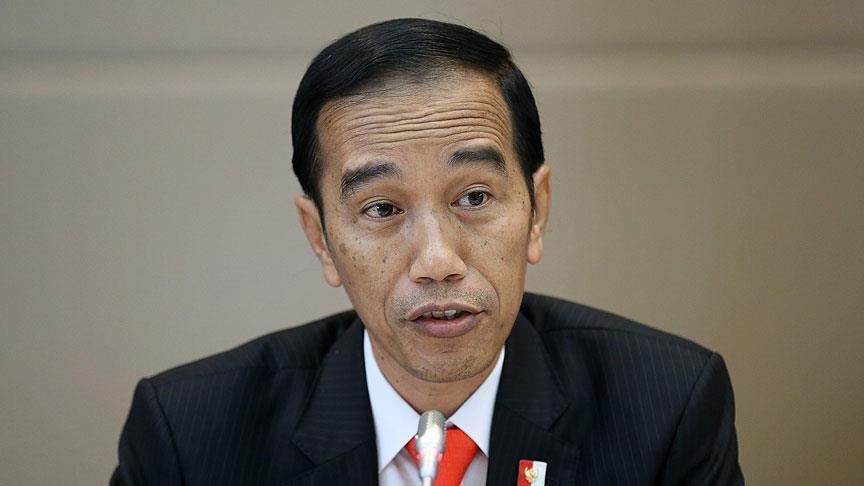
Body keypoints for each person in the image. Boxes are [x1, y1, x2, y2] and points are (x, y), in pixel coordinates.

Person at [112, 18, 743, 485]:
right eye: (382, 209)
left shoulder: (667, 406)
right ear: (321, 238)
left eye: (474, 196)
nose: (438, 261)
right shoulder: (189, 435)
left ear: (537, 211)